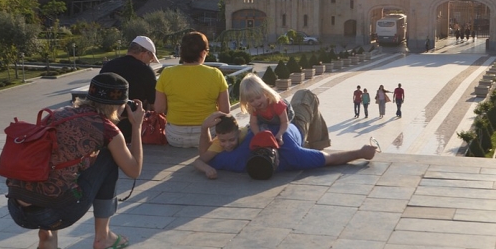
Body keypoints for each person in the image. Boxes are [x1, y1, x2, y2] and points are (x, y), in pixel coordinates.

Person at [6, 73, 145, 249]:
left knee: (56, 165)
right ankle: (103, 237)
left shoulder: (56, 115)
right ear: (120, 105)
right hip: (56, 214)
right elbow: (134, 170)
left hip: (17, 208)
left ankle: (47, 239)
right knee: (107, 157)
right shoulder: (107, 130)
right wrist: (136, 126)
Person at [193, 111, 377, 180]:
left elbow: (203, 159)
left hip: (280, 122)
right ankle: (316, 142)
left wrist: (361, 153)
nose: (227, 144)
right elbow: (332, 158)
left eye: (229, 140)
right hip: (293, 124)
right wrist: (360, 152)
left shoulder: (237, 159)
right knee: (307, 98)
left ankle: (315, 143)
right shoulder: (295, 156)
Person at [154, 31, 230, 148]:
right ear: (204, 52)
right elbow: (225, 110)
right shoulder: (215, 74)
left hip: (175, 136)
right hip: (207, 135)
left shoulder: (167, 73)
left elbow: (159, 108)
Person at [100, 36, 160, 141]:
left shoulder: (108, 66)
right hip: (131, 127)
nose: (149, 63)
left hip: (104, 124)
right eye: (150, 59)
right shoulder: (145, 71)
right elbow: (155, 103)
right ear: (144, 53)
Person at [239, 73, 292, 146]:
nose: (256, 102)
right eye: (251, 101)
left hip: (284, 117)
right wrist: (258, 135)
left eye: (258, 98)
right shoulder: (253, 107)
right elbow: (253, 123)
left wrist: (280, 134)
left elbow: (285, 122)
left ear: (265, 93)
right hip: (266, 121)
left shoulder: (277, 104)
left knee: (289, 131)